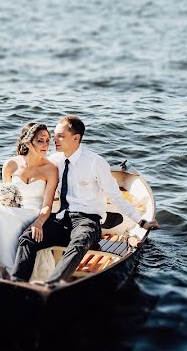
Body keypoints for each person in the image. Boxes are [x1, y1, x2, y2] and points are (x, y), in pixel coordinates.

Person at [11, 115, 160, 284]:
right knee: (28, 238)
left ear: (76, 138)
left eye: (60, 136)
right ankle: (17, 284)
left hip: (87, 221)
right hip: (60, 219)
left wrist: (141, 222)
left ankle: (50, 285)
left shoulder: (95, 162)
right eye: (55, 135)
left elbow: (115, 196)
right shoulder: (53, 161)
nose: (54, 140)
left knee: (79, 243)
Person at [0, 122, 59, 277]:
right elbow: (4, 197)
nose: (46, 145)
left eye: (48, 140)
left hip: (34, 214)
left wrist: (39, 222)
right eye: (40, 140)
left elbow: (47, 205)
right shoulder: (11, 165)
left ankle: (3, 270)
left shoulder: (51, 169)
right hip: (13, 210)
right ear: (28, 142)